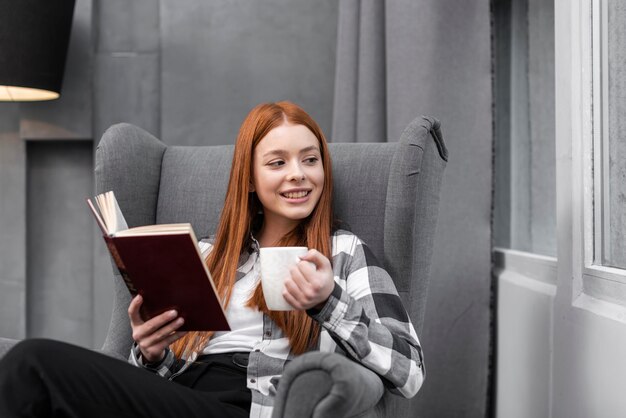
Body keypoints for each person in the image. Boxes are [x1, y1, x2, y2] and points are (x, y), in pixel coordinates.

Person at [0, 101, 424, 418]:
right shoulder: (207, 253)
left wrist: (328, 301)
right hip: (181, 394)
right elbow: (167, 373)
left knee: (33, 363)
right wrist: (150, 354)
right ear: (251, 180)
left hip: (249, 404)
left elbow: (409, 371)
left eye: (310, 160)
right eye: (278, 163)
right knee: (31, 379)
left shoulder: (343, 252)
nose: (298, 173)